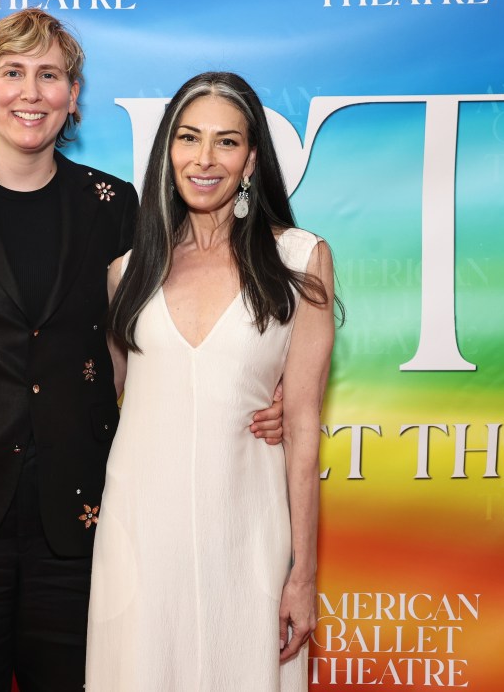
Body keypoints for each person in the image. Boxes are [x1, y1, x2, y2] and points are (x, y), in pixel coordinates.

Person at [0, 11, 284, 691]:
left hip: (81, 522)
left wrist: (265, 392)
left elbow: (166, 340)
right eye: (14, 73)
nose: (32, 92)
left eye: (50, 75)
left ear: (73, 94)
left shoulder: (111, 204)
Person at [86, 71, 337, 691]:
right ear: (168, 151)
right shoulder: (128, 271)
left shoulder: (300, 260)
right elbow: (102, 398)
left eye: (226, 142)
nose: (204, 159)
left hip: (247, 526)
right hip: (138, 530)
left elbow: (303, 425)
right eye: (189, 138)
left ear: (251, 159)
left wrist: (302, 574)